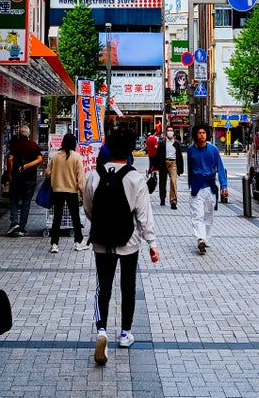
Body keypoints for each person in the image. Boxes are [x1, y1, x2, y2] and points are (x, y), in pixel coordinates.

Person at [84, 128, 159, 365]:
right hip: (129, 242)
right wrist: (152, 243)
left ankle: (102, 330)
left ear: (108, 149)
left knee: (102, 287)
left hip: (101, 240)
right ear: (129, 152)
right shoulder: (135, 178)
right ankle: (126, 333)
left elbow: (88, 208)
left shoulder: (94, 175)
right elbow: (144, 215)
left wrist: (100, 224)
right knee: (128, 287)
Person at [186, 124, 228, 255]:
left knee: (209, 214)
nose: (202, 135)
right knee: (197, 214)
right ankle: (200, 239)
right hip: (196, 185)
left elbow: (220, 167)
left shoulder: (213, 149)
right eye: (199, 133)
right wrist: (190, 184)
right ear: (195, 135)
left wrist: (224, 186)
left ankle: (206, 238)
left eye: (204, 133)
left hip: (210, 185)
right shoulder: (191, 150)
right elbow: (190, 168)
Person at [46, 133, 90, 253]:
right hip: (71, 191)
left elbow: (47, 173)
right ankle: (78, 242)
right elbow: (81, 178)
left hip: (57, 190)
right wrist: (83, 192)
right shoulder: (76, 157)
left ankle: (54, 244)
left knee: (57, 218)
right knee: (75, 217)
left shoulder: (55, 156)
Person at [6, 125, 43, 236]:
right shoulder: (33, 145)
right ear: (28, 134)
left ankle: (14, 222)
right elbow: (40, 159)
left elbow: (10, 159)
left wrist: (9, 174)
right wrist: (27, 166)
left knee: (13, 200)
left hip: (16, 178)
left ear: (19, 133)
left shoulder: (15, 145)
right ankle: (22, 227)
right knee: (26, 203)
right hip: (30, 178)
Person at [155, 127, 185, 209]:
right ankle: (162, 198)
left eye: (171, 131)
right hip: (163, 163)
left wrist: (180, 169)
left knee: (173, 181)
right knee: (162, 182)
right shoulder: (162, 143)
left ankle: (173, 201)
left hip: (173, 163)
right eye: (168, 131)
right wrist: (156, 167)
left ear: (173, 132)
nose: (170, 132)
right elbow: (158, 156)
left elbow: (180, 156)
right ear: (166, 132)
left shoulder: (176, 143)